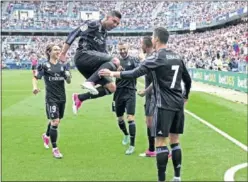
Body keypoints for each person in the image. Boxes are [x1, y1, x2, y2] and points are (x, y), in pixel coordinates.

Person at [99, 27, 192, 182]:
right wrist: (185, 96)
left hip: (163, 104)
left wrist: (113, 74)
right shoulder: (177, 56)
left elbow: (135, 73)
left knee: (161, 142)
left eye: (152, 37)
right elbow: (187, 80)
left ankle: (161, 179)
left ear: (156, 39)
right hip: (177, 104)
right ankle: (177, 177)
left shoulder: (156, 57)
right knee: (175, 140)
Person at [58, 10, 122, 114]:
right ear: (107, 17)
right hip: (83, 55)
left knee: (111, 87)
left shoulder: (104, 34)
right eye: (114, 21)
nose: (115, 25)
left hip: (91, 63)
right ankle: (89, 82)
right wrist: (63, 53)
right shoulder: (93, 23)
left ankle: (79, 98)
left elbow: (103, 52)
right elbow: (74, 33)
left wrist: (114, 67)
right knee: (114, 60)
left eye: (117, 24)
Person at [32, 44, 71, 159]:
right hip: (51, 98)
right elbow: (35, 77)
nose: (58, 51)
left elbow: (68, 81)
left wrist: (68, 76)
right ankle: (55, 149)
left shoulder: (63, 65)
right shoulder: (44, 65)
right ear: (49, 52)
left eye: (59, 49)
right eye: (55, 50)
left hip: (62, 98)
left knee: (57, 120)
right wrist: (34, 87)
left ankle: (46, 135)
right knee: (55, 121)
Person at [113, 42, 140, 155]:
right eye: (120, 49)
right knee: (120, 118)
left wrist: (122, 72)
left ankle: (132, 145)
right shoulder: (115, 62)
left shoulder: (134, 60)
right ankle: (126, 134)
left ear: (128, 48)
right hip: (118, 92)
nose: (122, 51)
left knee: (130, 118)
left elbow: (138, 72)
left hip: (130, 91)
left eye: (124, 49)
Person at [137, 36, 157, 157]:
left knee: (151, 122)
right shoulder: (150, 57)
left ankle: (158, 149)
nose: (141, 46)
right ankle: (152, 149)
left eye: (141, 44)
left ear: (145, 45)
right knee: (149, 122)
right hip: (150, 96)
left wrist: (145, 91)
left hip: (153, 95)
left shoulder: (152, 58)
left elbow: (156, 80)